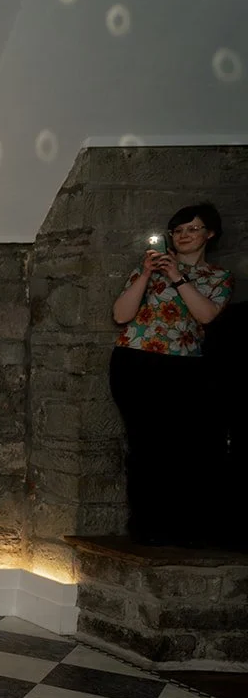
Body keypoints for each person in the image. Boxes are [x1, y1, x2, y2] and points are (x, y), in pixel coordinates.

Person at [110, 203, 234, 547]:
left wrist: (178, 276)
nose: (184, 235)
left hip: (184, 366)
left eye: (192, 228)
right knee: (143, 443)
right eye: (178, 230)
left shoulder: (218, 276)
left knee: (180, 445)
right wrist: (147, 274)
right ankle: (144, 527)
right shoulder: (147, 271)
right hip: (136, 360)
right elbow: (121, 315)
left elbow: (206, 315)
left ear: (210, 233)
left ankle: (180, 527)